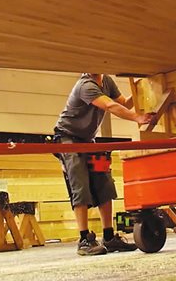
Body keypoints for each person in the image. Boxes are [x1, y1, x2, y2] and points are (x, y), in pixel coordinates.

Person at [54, 73, 155, 255]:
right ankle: (84, 239)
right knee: (80, 185)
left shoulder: (106, 80)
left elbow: (123, 103)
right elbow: (109, 105)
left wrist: (139, 89)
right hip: (67, 138)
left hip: (88, 139)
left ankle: (109, 237)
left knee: (104, 182)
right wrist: (137, 118)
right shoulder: (85, 85)